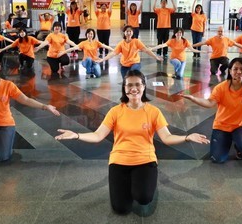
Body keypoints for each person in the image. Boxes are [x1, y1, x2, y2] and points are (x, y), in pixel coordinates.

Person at [55, 70, 208, 215]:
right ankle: (130, 183)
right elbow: (97, 135)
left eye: (137, 84)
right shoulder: (115, 111)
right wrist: (76, 135)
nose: (133, 88)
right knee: (121, 208)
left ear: (143, 86)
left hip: (145, 159)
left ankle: (141, 182)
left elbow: (167, 138)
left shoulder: (153, 112)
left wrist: (187, 137)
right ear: (124, 88)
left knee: (144, 198)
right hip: (119, 160)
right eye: (129, 85)